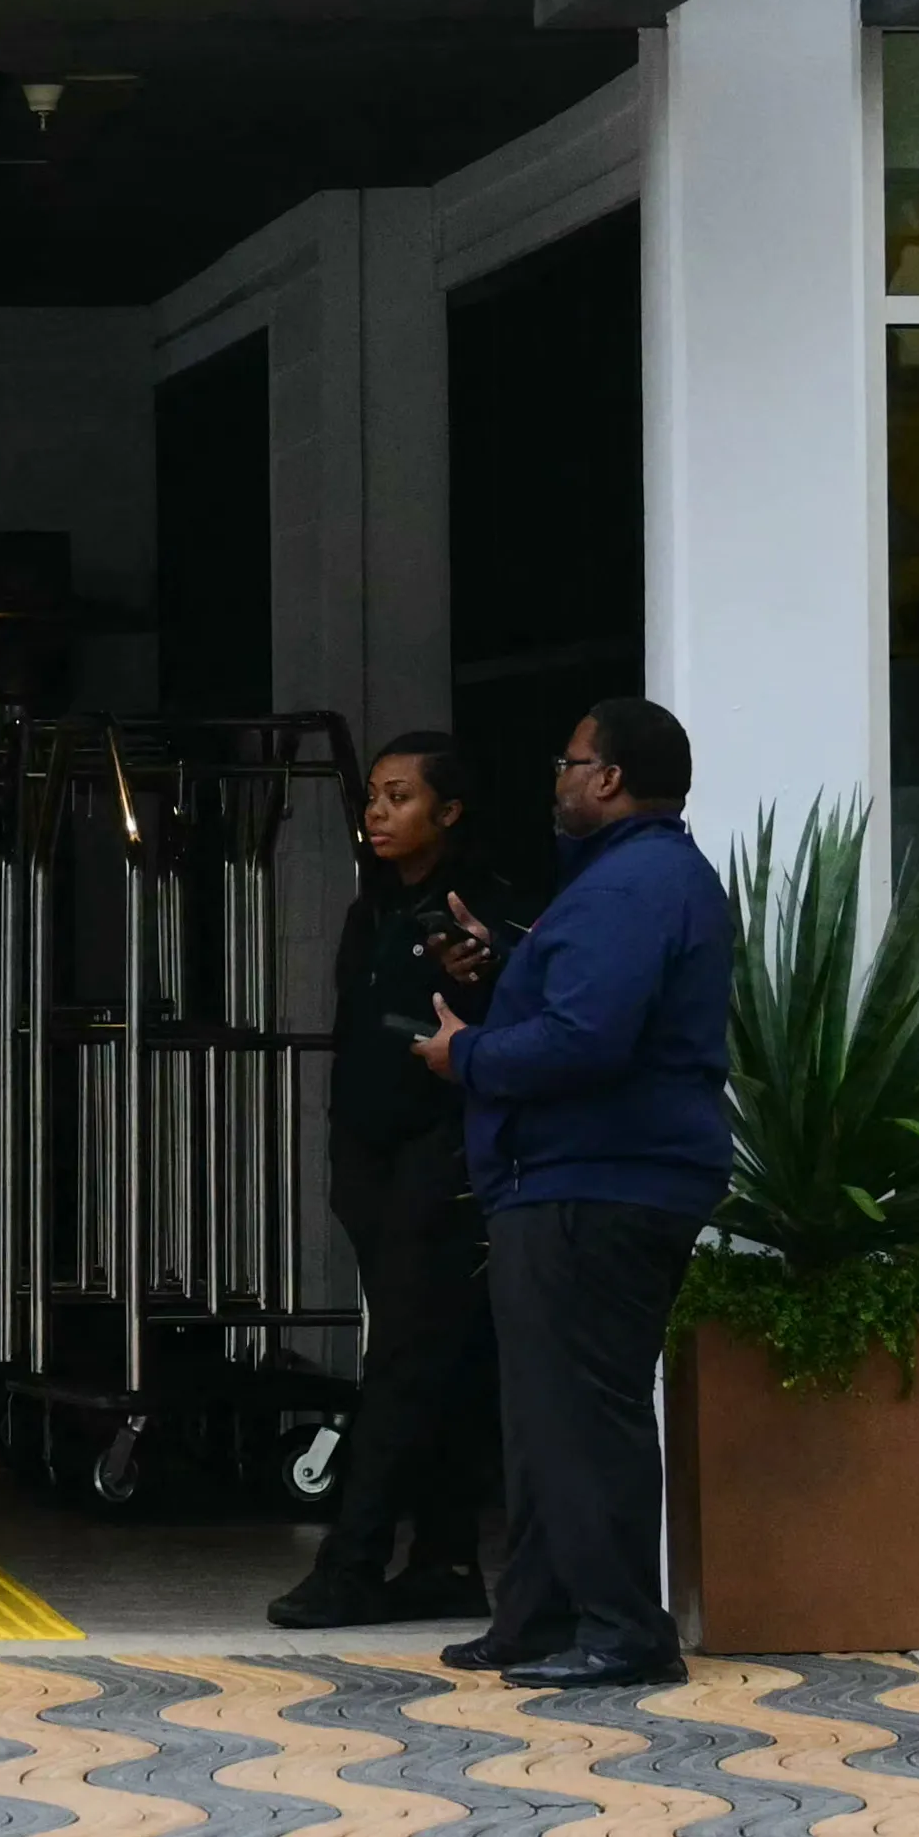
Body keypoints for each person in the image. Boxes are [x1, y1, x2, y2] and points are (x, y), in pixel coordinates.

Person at [414, 695, 731, 1686]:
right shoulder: (621, 883)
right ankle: (541, 1615)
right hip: (580, 1176)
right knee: (548, 1409)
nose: (555, 777)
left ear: (609, 779)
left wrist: (467, 1053)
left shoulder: (630, 886)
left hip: (597, 1180)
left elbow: (588, 1041)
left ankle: (626, 1631)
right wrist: (503, 968)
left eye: (569, 759)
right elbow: (583, 1004)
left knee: (585, 1411)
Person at [267, 731, 521, 1630]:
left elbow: (495, 1007)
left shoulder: (481, 911)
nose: (377, 813)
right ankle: (447, 1559)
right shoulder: (373, 905)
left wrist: (469, 968)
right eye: (373, 795)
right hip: (370, 1157)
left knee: (405, 1361)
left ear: (448, 812)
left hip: (442, 1157)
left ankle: (354, 1561)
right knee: (431, 1358)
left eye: (400, 797)